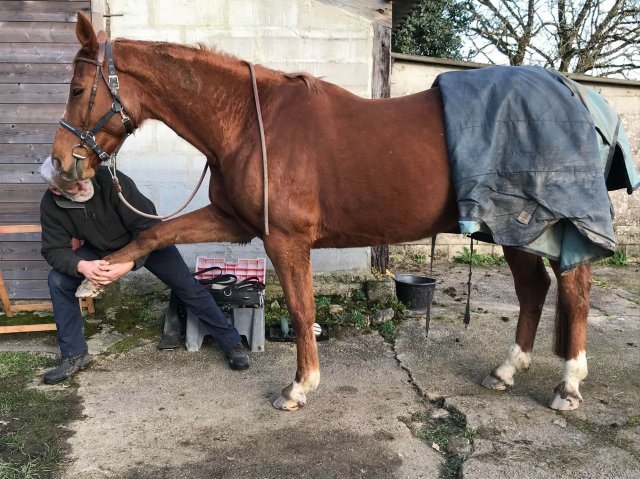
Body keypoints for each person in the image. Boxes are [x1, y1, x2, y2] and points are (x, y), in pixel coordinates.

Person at [39, 157, 249, 384]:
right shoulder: (51, 205)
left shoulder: (111, 180)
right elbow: (53, 249)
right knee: (58, 280)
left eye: (83, 178)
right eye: (74, 186)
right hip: (99, 249)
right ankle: (74, 355)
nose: (83, 185)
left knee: (187, 287)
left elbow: (147, 226)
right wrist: (82, 265)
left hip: (146, 241)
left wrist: (129, 262)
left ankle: (231, 342)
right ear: (56, 190)